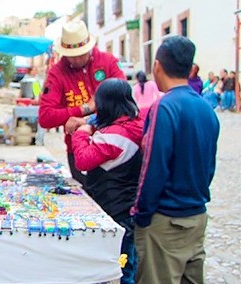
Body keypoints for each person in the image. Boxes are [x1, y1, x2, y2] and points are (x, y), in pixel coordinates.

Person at [132, 36, 219, 284]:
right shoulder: (205, 108)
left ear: (157, 66)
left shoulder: (165, 107)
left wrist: (141, 212)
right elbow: (209, 166)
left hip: (166, 220)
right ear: (191, 68)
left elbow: (153, 166)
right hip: (197, 215)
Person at [70, 78, 142, 284]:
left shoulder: (115, 136)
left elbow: (83, 160)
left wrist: (81, 134)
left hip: (117, 209)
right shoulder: (134, 124)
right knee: (127, 263)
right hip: (128, 207)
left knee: (120, 267)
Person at [38, 20, 125, 186]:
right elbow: (45, 117)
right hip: (79, 152)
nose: (76, 59)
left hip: (114, 148)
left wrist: (86, 120)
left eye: (81, 53)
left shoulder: (109, 62)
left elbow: (122, 105)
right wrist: (85, 108)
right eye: (72, 55)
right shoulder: (57, 72)